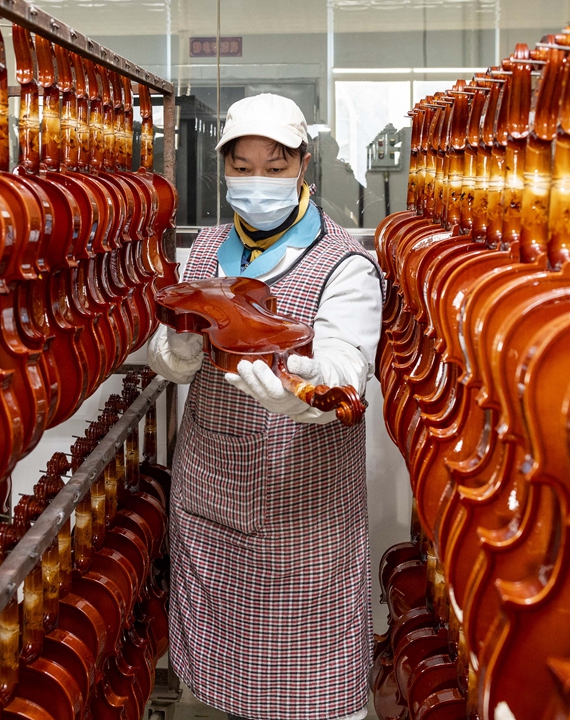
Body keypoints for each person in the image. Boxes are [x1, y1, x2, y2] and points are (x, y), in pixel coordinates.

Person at [147, 93, 383, 720]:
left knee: (311, 685)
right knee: (214, 682)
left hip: (302, 507)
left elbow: (344, 361)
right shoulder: (206, 251)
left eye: (275, 167)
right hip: (211, 488)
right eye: (242, 167)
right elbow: (176, 358)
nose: (257, 182)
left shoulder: (343, 262)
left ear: (304, 166)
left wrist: (307, 391)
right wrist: (175, 351)